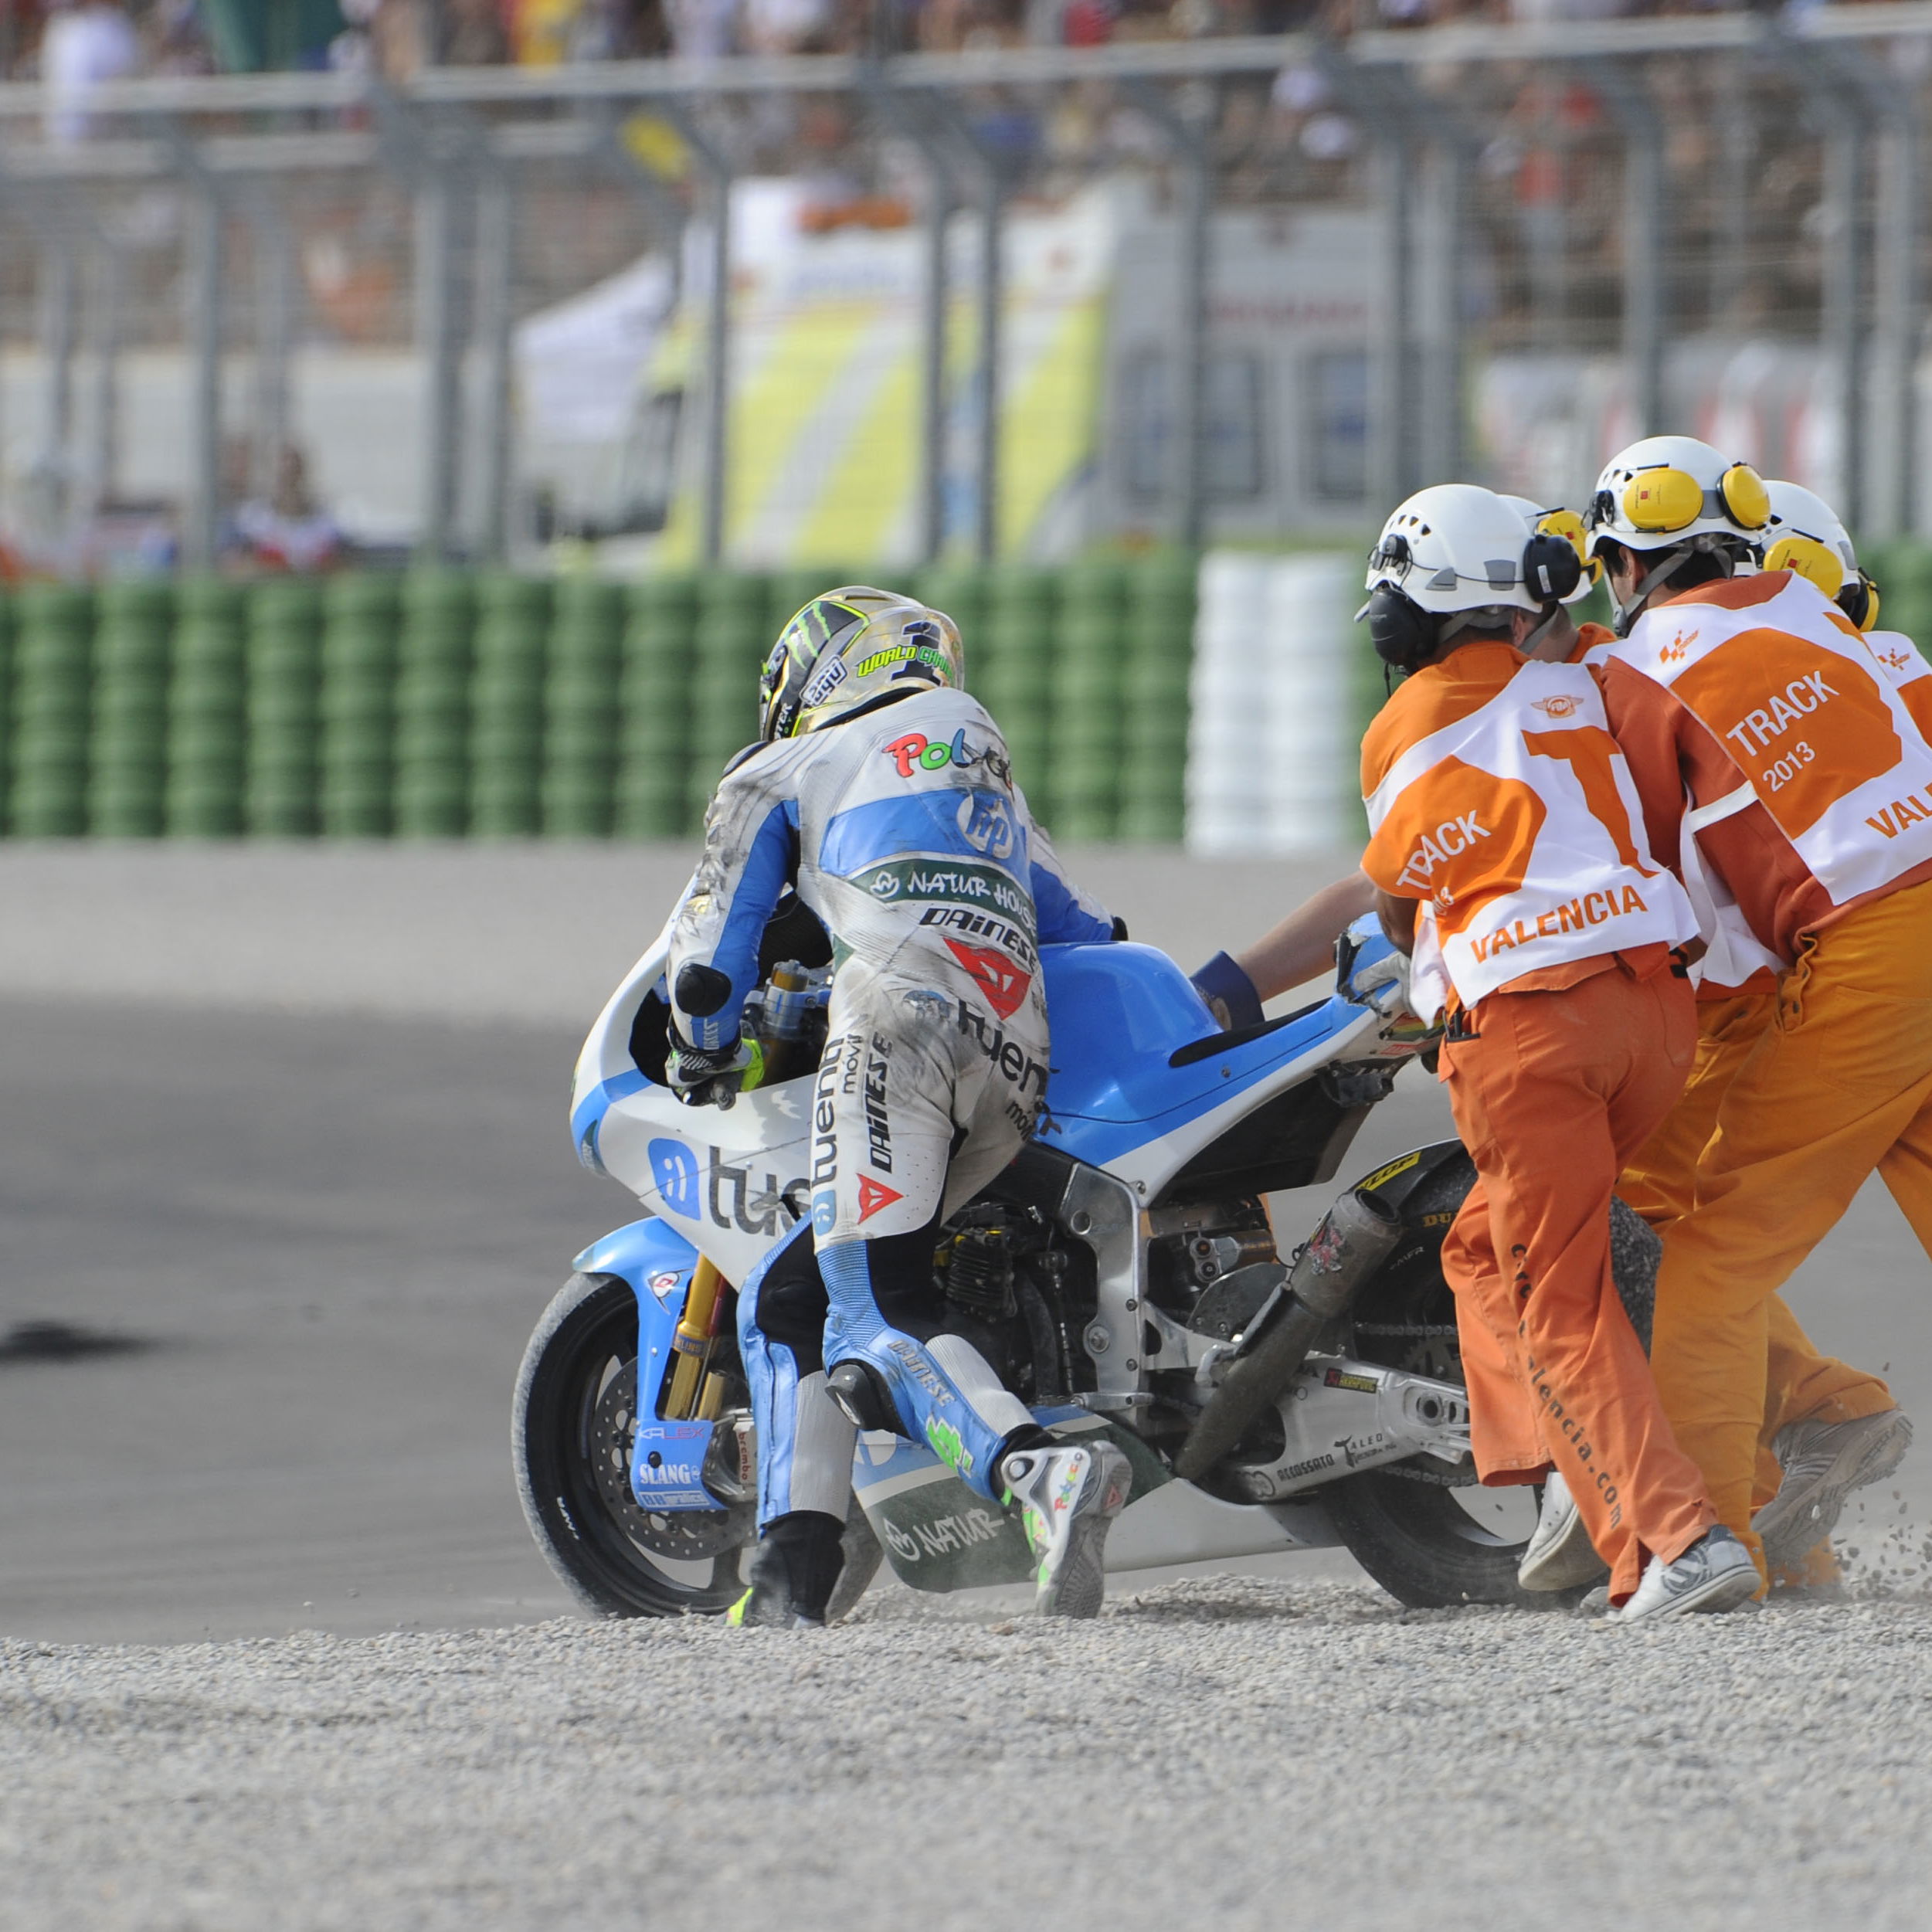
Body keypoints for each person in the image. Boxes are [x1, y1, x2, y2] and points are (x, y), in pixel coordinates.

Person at [664, 586, 1129, 1628]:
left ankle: (1034, 1473)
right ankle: (789, 1579)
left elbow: (709, 953)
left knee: (874, 1308)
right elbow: (1086, 925)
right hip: (1017, 1049)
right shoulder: (985, 760)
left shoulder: (781, 765)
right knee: (793, 1298)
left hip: (891, 1023)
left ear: (809, 677)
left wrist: (700, 1046)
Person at [1354, 481, 1755, 1620]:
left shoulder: (1405, 720)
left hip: (1527, 1031)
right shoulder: (1580, 677)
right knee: (1483, 1249)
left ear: (1405, 613)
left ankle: (1674, 1535)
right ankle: (1578, 1485)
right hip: (1651, 1013)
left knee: (1560, 1304)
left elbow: (1396, 898)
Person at [1584, 436, 1932, 1587]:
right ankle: (1799, 1499)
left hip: (1864, 954)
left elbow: (1651, 870)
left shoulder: (1638, 670)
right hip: (1885, 930)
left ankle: (1710, 1545)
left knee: (1709, 1258)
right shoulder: (1812, 612)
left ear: (1623, 569)